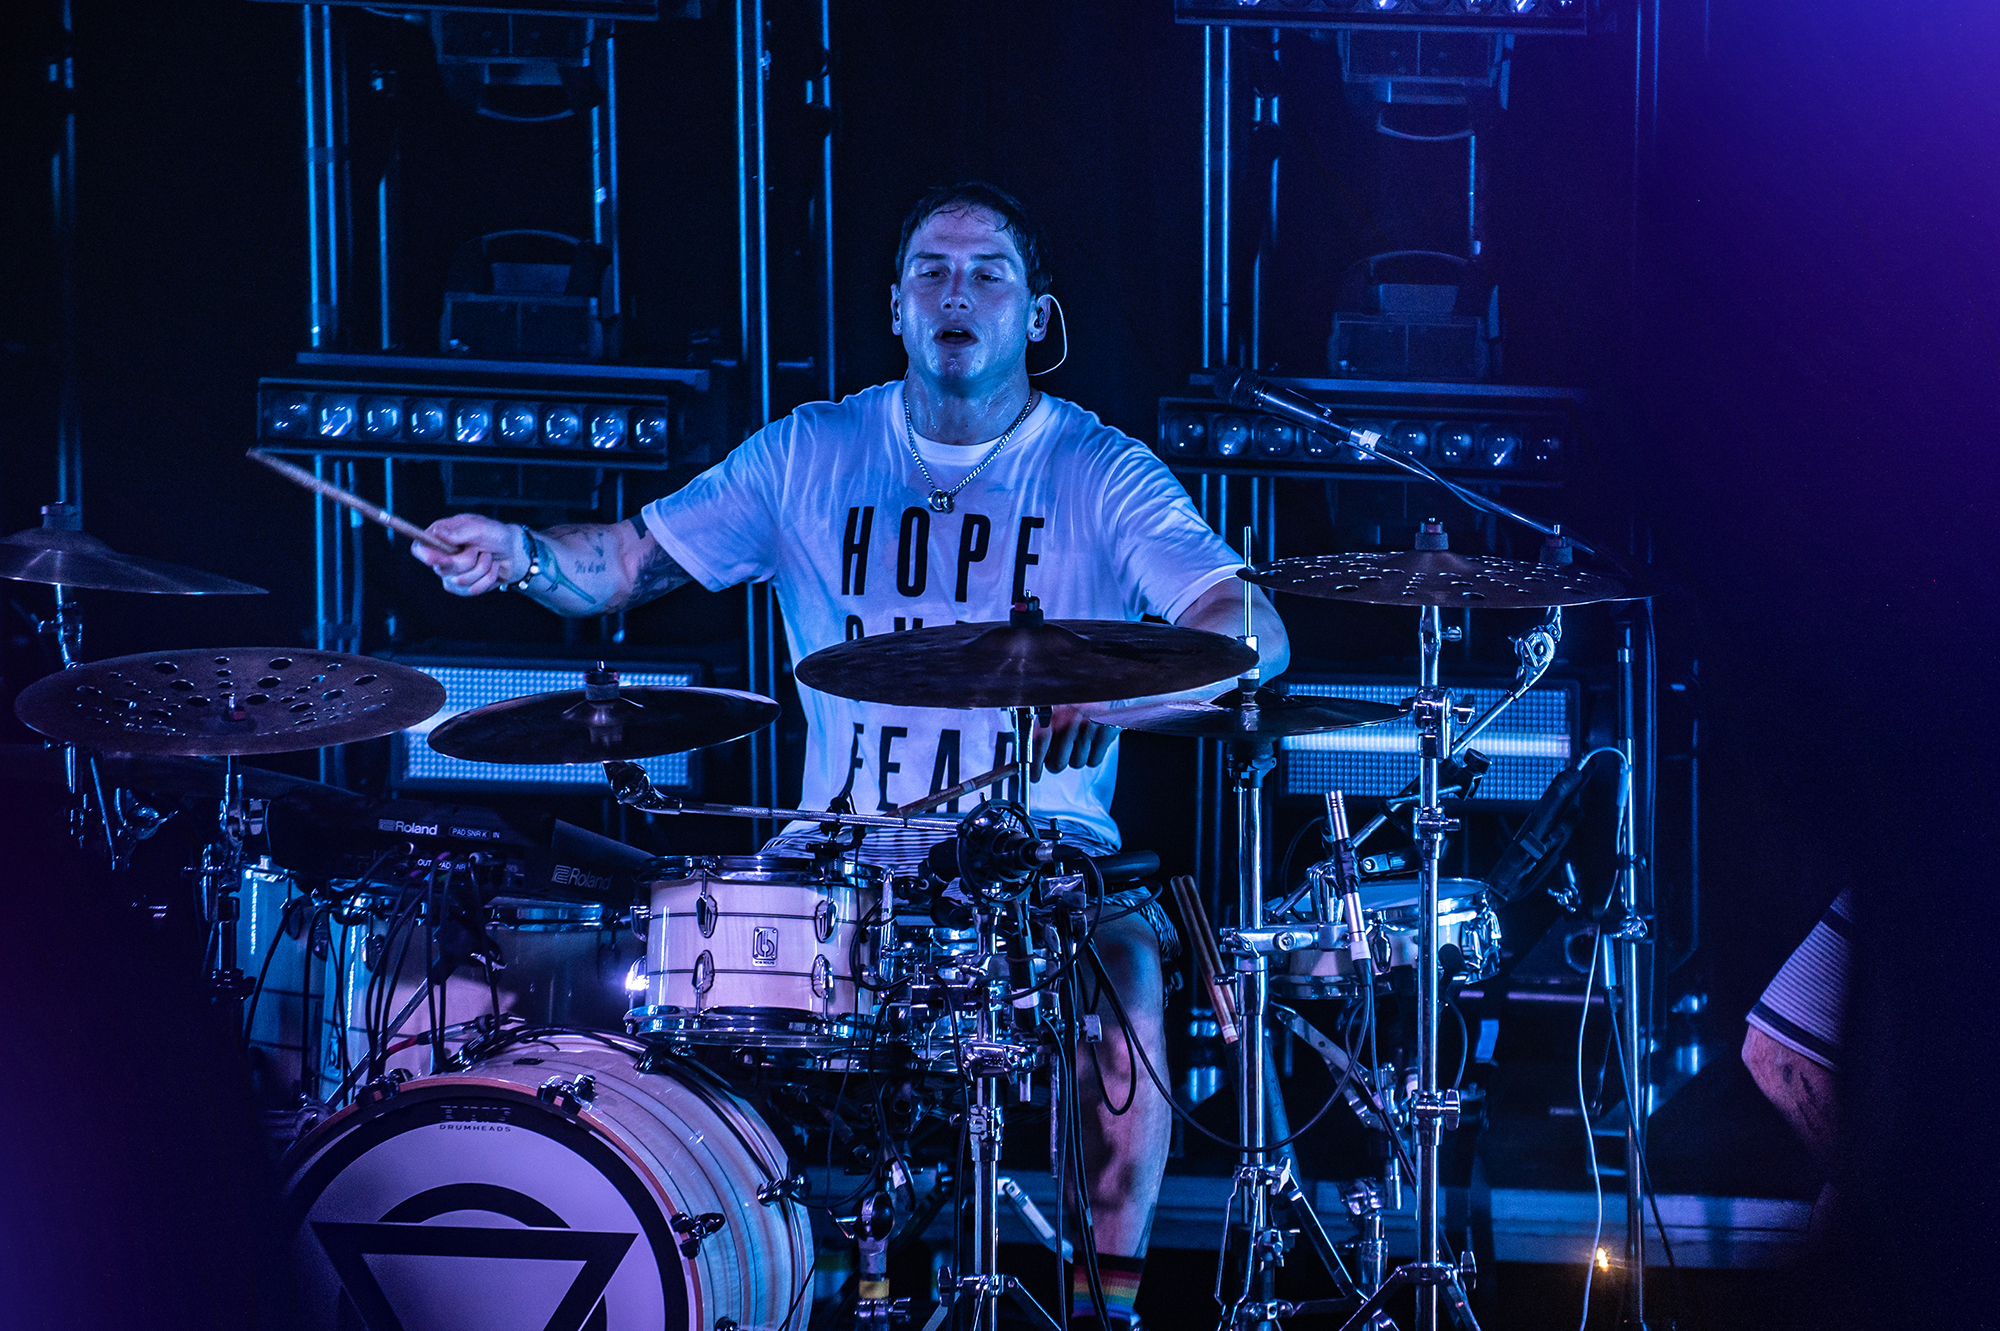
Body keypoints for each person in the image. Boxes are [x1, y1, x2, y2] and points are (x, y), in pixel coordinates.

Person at [413, 181, 1289, 1329]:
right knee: (643, 968)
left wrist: (1126, 694)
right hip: (831, 855)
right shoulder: (809, 452)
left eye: (987, 274)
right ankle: (730, 1279)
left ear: (1035, 316)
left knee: (1124, 991)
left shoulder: (1098, 469)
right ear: (894, 306)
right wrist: (519, 554)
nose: (956, 292)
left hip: (1037, 857)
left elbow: (1248, 624)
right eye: (931, 270)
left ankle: (1100, 1310)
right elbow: (623, 563)